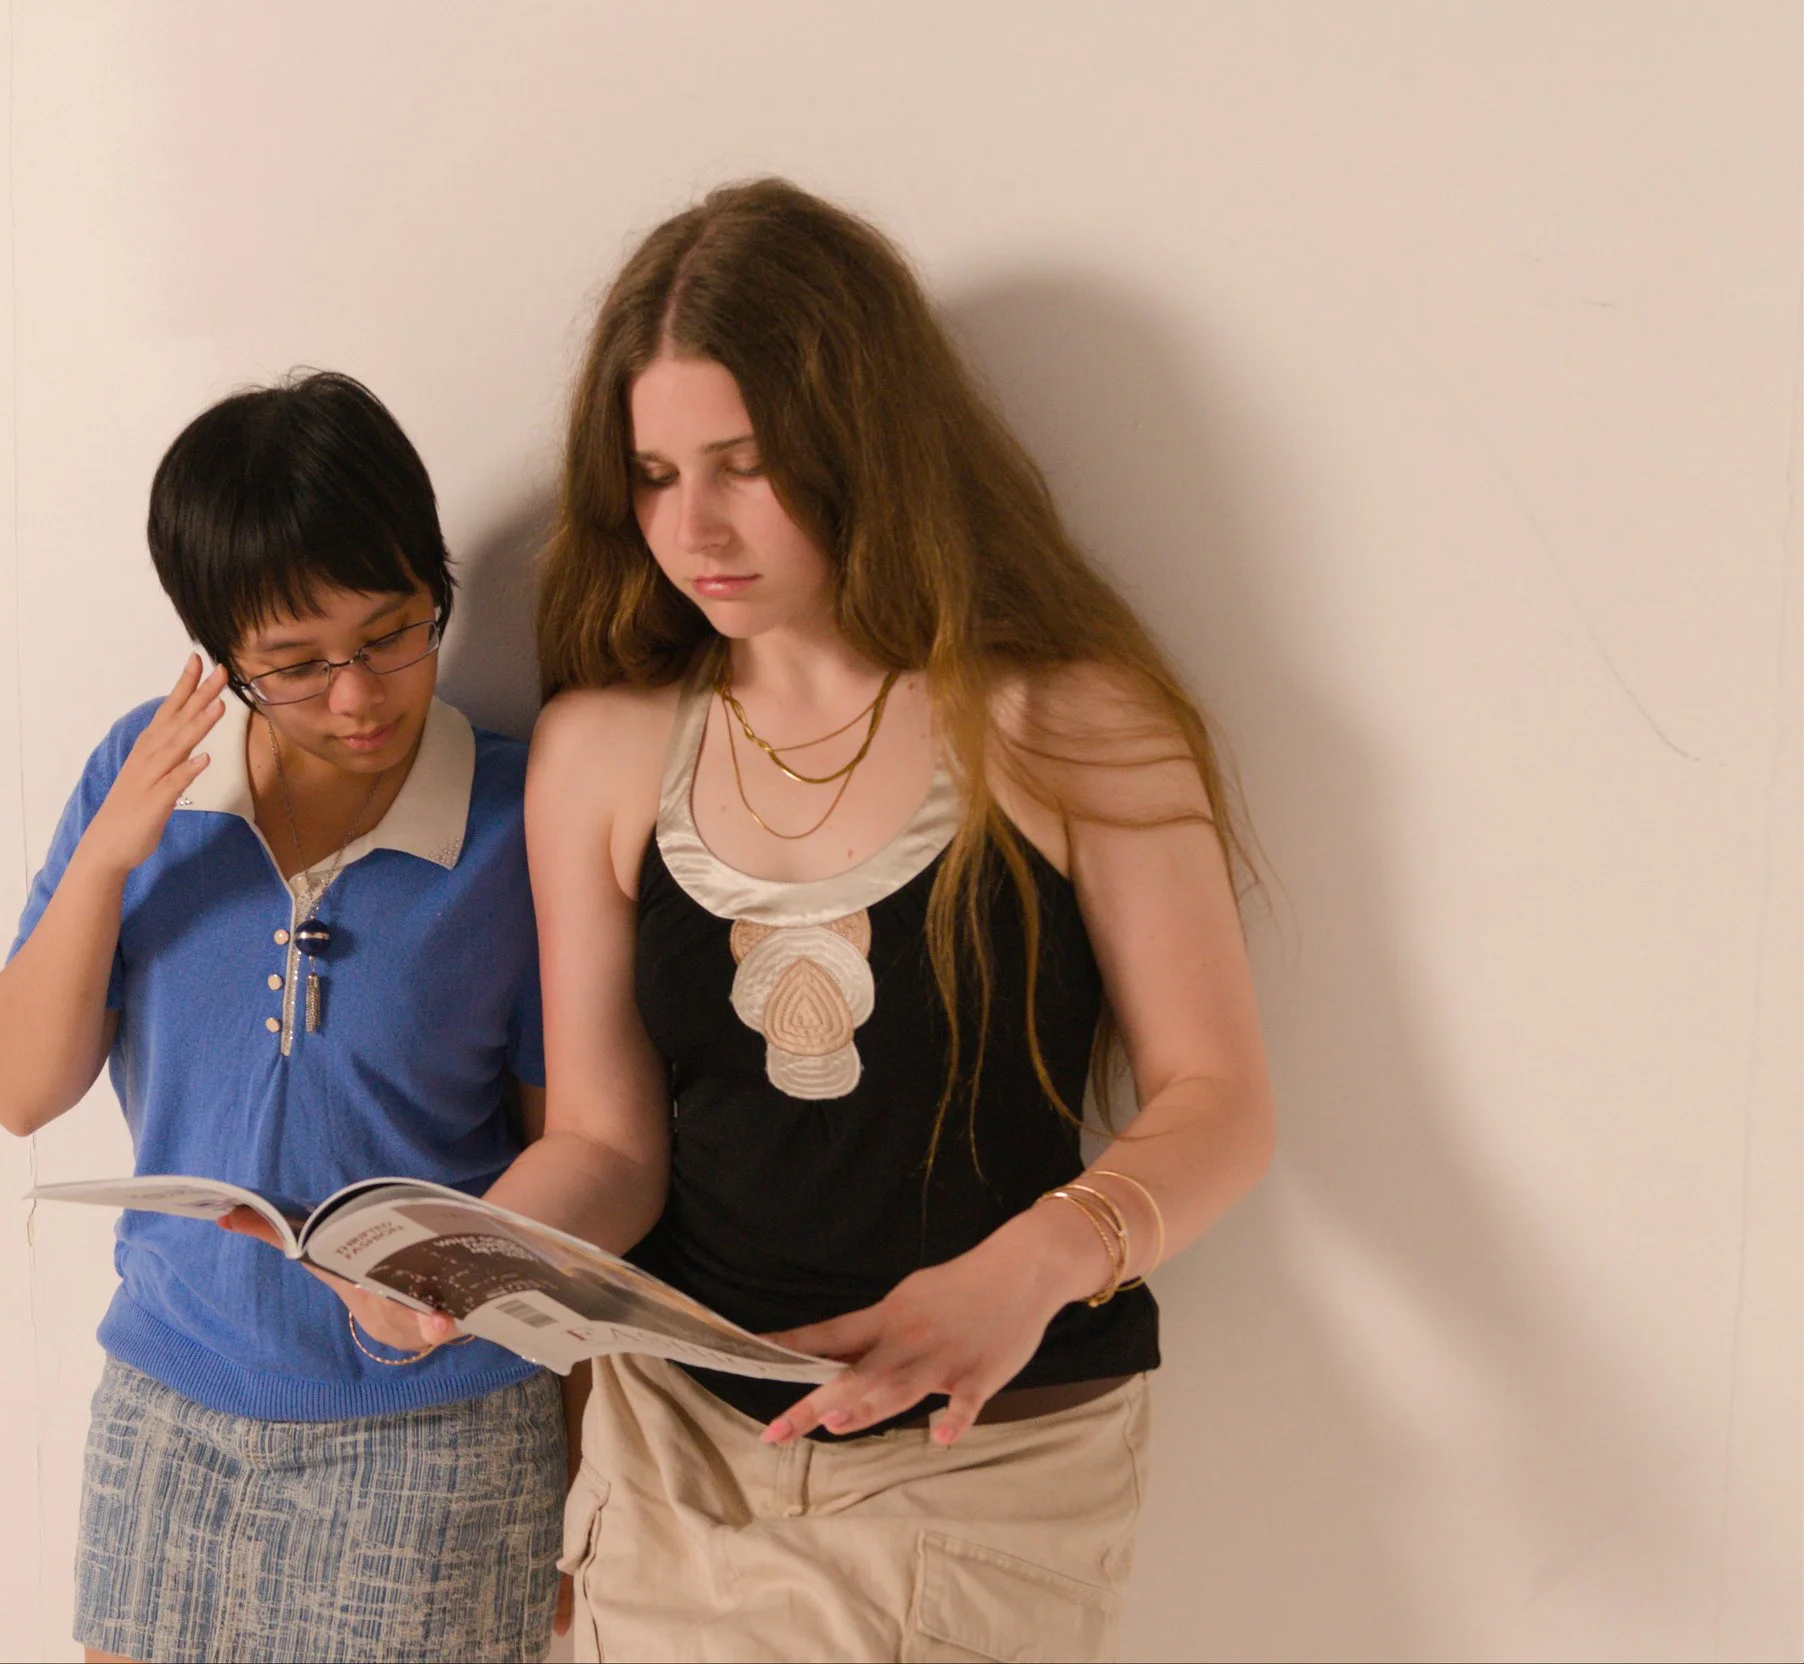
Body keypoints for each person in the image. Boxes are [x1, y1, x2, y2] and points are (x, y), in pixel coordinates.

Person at [368, 178, 1275, 1660]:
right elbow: (610, 1147)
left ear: (865, 444)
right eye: (654, 475)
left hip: (981, 1452)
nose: (695, 526)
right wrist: (467, 1263)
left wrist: (1028, 1271)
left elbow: (1219, 1098)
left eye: (747, 465)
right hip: (677, 1445)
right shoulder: (602, 751)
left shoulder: (1065, 722)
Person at [0, 371, 561, 1663]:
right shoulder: (142, 776)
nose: (359, 696)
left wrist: (575, 1464)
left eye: (394, 632)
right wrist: (109, 857)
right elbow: (19, 1090)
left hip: (440, 1425)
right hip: (168, 1400)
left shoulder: (522, 822)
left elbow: (569, 1164)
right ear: (221, 656)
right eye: (294, 666)